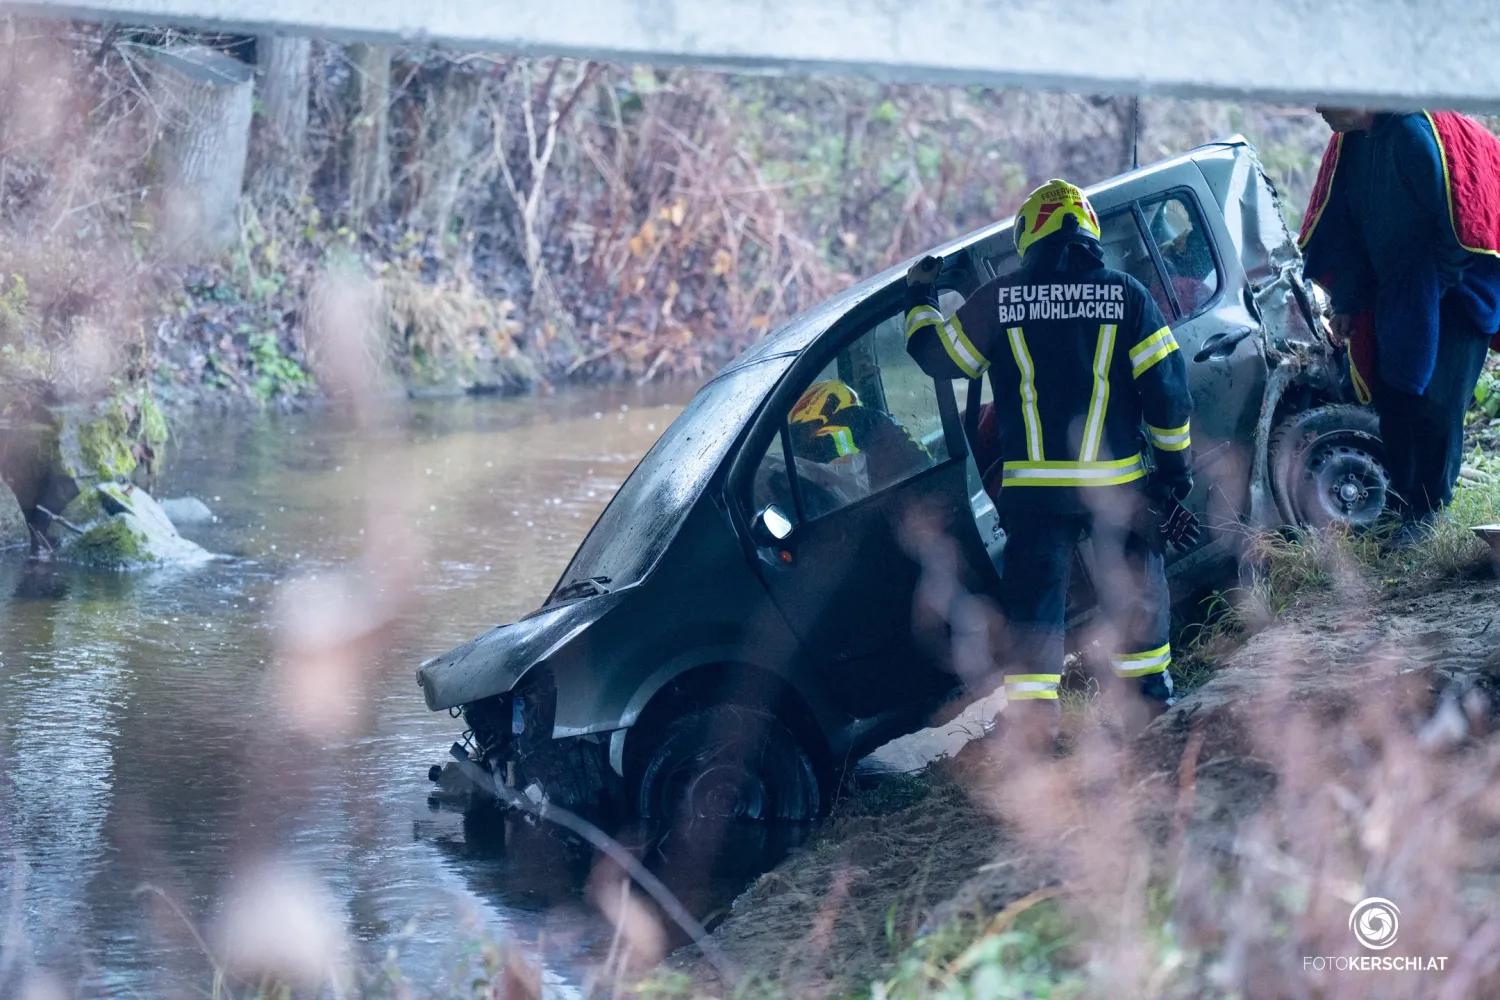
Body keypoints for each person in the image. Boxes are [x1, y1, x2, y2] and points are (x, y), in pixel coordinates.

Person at [904, 178, 1196, 750]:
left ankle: (1037, 735)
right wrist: (1173, 475)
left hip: (1036, 496)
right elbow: (1167, 394)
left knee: (1035, 610)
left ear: (1028, 236)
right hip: (1118, 488)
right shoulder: (1128, 295)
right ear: (1088, 228)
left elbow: (940, 358)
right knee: (1136, 592)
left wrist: (918, 298)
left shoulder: (1002, 299)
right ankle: (1151, 707)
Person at [1300, 108, 1500, 547]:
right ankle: (1405, 504)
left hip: (1456, 290)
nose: (1317, 108)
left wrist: (1438, 286)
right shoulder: (1353, 143)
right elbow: (1350, 233)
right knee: (1394, 396)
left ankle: (1428, 510)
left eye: (1324, 96)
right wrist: (1348, 302)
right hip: (1399, 290)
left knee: (1436, 403)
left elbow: (1455, 219)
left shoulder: (1410, 133)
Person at [786, 378, 931, 492]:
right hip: (919, 485)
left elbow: (817, 453)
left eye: (804, 430)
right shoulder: (874, 422)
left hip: (910, 495)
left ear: (829, 410)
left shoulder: (847, 422)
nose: (802, 441)